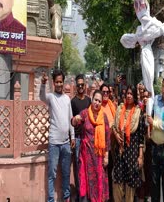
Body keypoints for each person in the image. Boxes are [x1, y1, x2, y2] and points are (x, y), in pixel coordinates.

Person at [40, 69, 75, 202]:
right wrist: (43, 84)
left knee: (66, 173)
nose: (59, 84)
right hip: (54, 142)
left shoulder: (67, 99)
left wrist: (72, 136)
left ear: (63, 82)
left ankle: (66, 198)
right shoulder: (50, 97)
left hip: (66, 142)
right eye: (57, 82)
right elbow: (41, 97)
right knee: (52, 174)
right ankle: (50, 199)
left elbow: (70, 118)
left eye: (61, 81)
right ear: (54, 83)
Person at [72, 90, 111, 202]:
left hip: (99, 157)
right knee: (86, 182)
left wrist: (106, 156)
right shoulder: (85, 113)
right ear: (92, 99)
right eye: (95, 100)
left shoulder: (103, 117)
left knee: (99, 182)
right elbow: (74, 122)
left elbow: (107, 137)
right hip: (86, 156)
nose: (97, 103)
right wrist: (75, 119)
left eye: (99, 101)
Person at [112, 85, 146, 202]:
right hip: (120, 151)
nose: (129, 96)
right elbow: (114, 126)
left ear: (134, 96)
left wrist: (140, 156)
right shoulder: (120, 109)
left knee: (130, 183)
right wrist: (116, 135)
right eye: (127, 93)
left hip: (132, 153)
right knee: (118, 180)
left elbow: (141, 137)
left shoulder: (138, 112)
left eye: (131, 94)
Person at [71, 74, 91, 202]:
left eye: (82, 85)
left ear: (85, 85)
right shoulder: (73, 102)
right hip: (78, 139)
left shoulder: (89, 100)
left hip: (88, 138)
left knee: (88, 167)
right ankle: (80, 196)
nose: (80, 87)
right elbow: (71, 121)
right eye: (78, 85)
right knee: (79, 169)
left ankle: (88, 195)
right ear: (75, 86)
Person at [100, 83, 117, 202]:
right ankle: (101, 195)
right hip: (101, 145)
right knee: (101, 171)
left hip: (112, 144)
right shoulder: (97, 106)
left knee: (111, 170)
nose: (106, 94)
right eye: (103, 92)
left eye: (107, 92)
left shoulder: (112, 106)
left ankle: (110, 196)